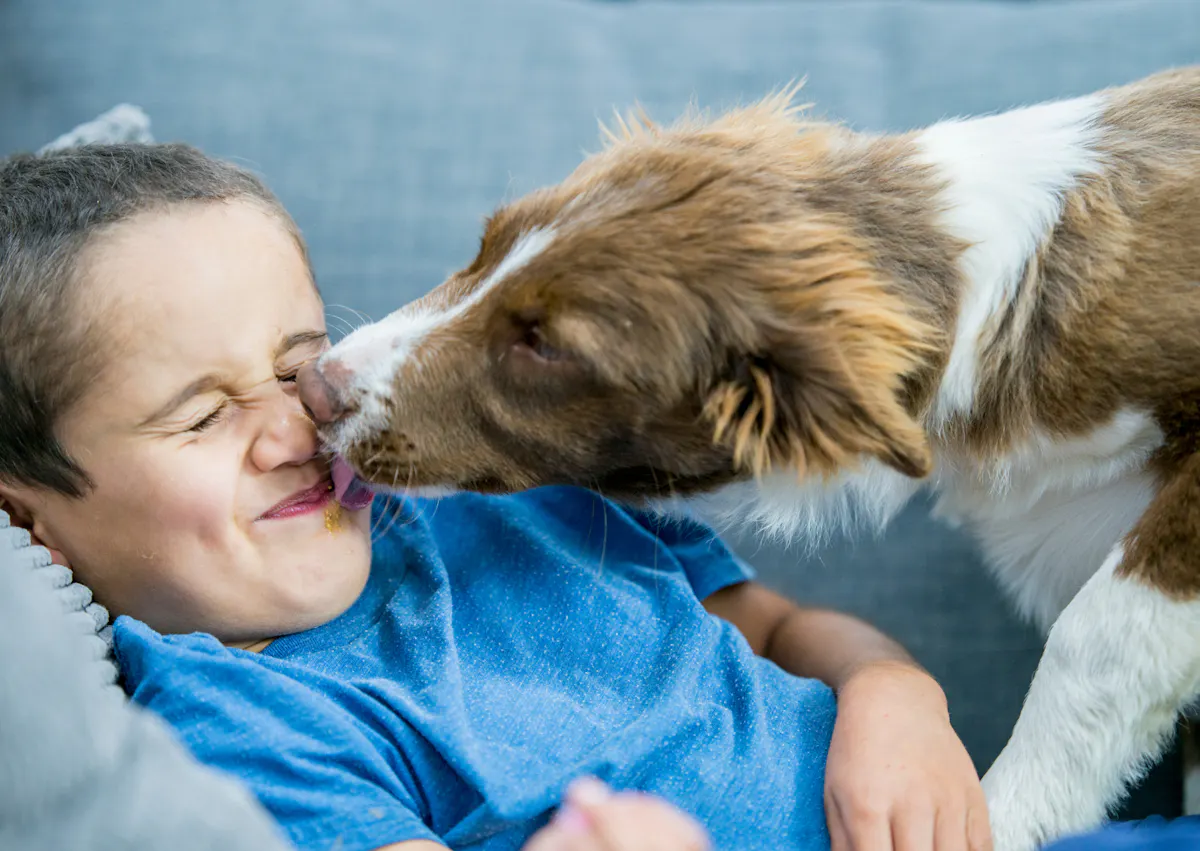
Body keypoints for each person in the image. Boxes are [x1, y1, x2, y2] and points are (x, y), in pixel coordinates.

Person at [0, 144, 988, 851]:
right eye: (203, 413)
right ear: (27, 519)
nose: (295, 430)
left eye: (299, 364)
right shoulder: (241, 724)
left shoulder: (509, 487)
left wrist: (895, 695)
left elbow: (777, 626)